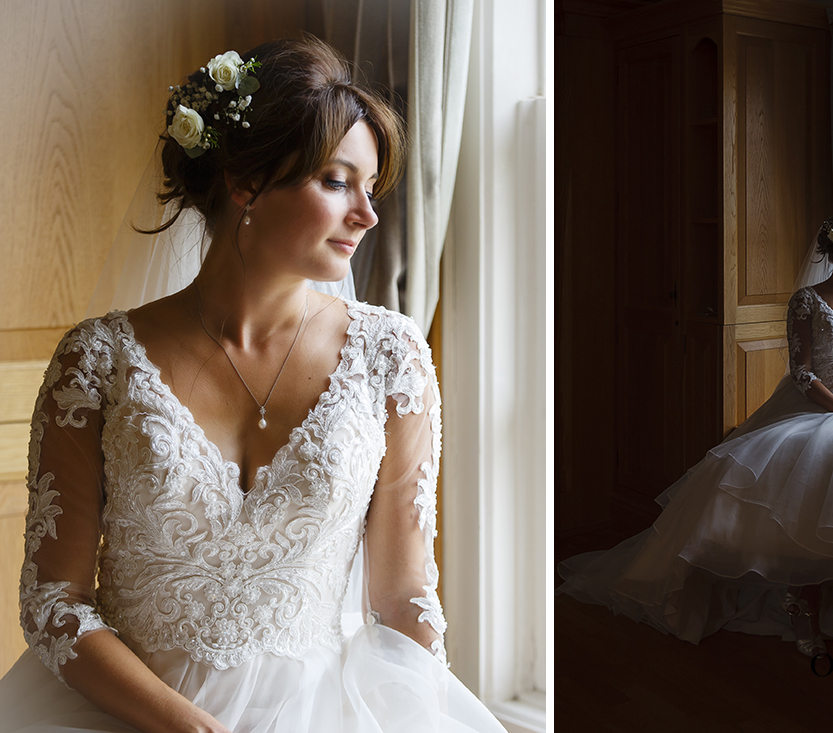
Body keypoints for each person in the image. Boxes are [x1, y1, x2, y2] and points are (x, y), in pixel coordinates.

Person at [0, 36, 506, 733]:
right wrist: (187, 725)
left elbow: (403, 597)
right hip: (125, 713)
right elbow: (53, 599)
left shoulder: (391, 357)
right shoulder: (97, 364)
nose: (368, 214)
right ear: (245, 182)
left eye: (370, 187)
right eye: (338, 181)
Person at [558, 206, 833, 657]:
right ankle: (800, 605)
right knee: (812, 486)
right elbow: (801, 374)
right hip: (816, 408)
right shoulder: (807, 301)